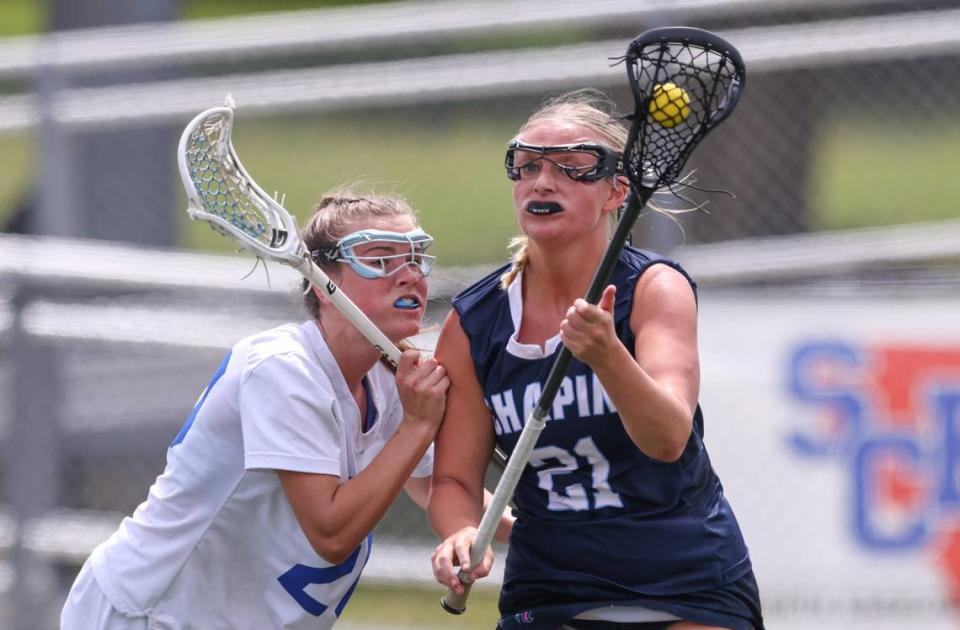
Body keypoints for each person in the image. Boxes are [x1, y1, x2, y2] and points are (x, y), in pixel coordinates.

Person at [428, 89, 764, 630]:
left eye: (573, 167)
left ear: (617, 192)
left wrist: (608, 357)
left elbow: (667, 437)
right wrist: (462, 531)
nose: (543, 181)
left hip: (684, 577)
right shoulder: (475, 323)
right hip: (552, 583)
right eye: (527, 164)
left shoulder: (654, 289)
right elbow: (454, 482)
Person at [61, 189, 451, 629]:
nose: (409, 276)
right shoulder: (283, 369)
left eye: (415, 258)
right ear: (324, 285)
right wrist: (417, 426)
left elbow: (437, 485)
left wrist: (526, 527)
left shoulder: (388, 375)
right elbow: (331, 533)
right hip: (153, 615)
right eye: (380, 259)